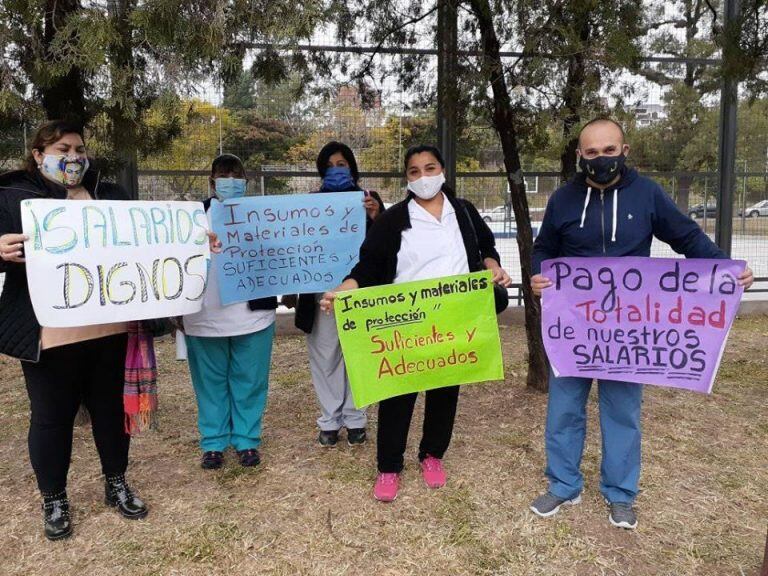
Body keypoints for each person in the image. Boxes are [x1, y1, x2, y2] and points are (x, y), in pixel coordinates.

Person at [529, 117, 754, 530]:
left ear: (625, 151)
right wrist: (538, 273)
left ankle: (620, 493)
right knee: (564, 409)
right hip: (573, 328)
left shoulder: (647, 194)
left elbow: (687, 237)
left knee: (622, 411)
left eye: (609, 150)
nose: (600, 159)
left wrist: (725, 267)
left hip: (628, 332)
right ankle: (563, 485)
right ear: (580, 155)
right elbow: (544, 248)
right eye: (592, 152)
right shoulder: (562, 199)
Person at [319, 144, 512, 502]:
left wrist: (492, 267)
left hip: (454, 320)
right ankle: (389, 466)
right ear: (406, 178)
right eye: (414, 171)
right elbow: (368, 268)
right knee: (397, 397)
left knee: (444, 393)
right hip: (405, 326)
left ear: (442, 170)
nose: (423, 177)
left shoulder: (465, 213)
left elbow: (486, 249)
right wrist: (343, 291)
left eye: (430, 167)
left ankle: (432, 455)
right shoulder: (394, 220)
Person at [0, 120, 148, 541]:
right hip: (50, 335)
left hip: (108, 328)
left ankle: (116, 482)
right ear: (37, 153)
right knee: (51, 419)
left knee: (109, 412)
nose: (73, 157)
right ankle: (54, 498)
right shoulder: (12, 197)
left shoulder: (110, 194)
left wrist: (194, 242)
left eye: (80, 149)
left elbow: (149, 241)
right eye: (62, 148)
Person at [283, 142, 384, 448]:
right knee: (325, 355)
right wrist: (291, 287)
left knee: (360, 355)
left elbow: (389, 245)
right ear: (321, 171)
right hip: (321, 295)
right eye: (330, 165)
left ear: (352, 168)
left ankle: (356, 419)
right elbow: (297, 249)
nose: (336, 170)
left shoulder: (370, 200)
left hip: (362, 292)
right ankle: (329, 420)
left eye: (342, 164)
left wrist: (377, 216)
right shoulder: (310, 205)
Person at [180, 154, 276, 470]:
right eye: (223, 173)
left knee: (250, 380)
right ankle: (213, 444)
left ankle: (247, 441)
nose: (230, 179)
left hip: (254, 315)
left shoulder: (265, 216)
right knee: (210, 383)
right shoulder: (191, 217)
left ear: (246, 181)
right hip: (204, 315)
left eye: (236, 174)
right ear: (211, 180)